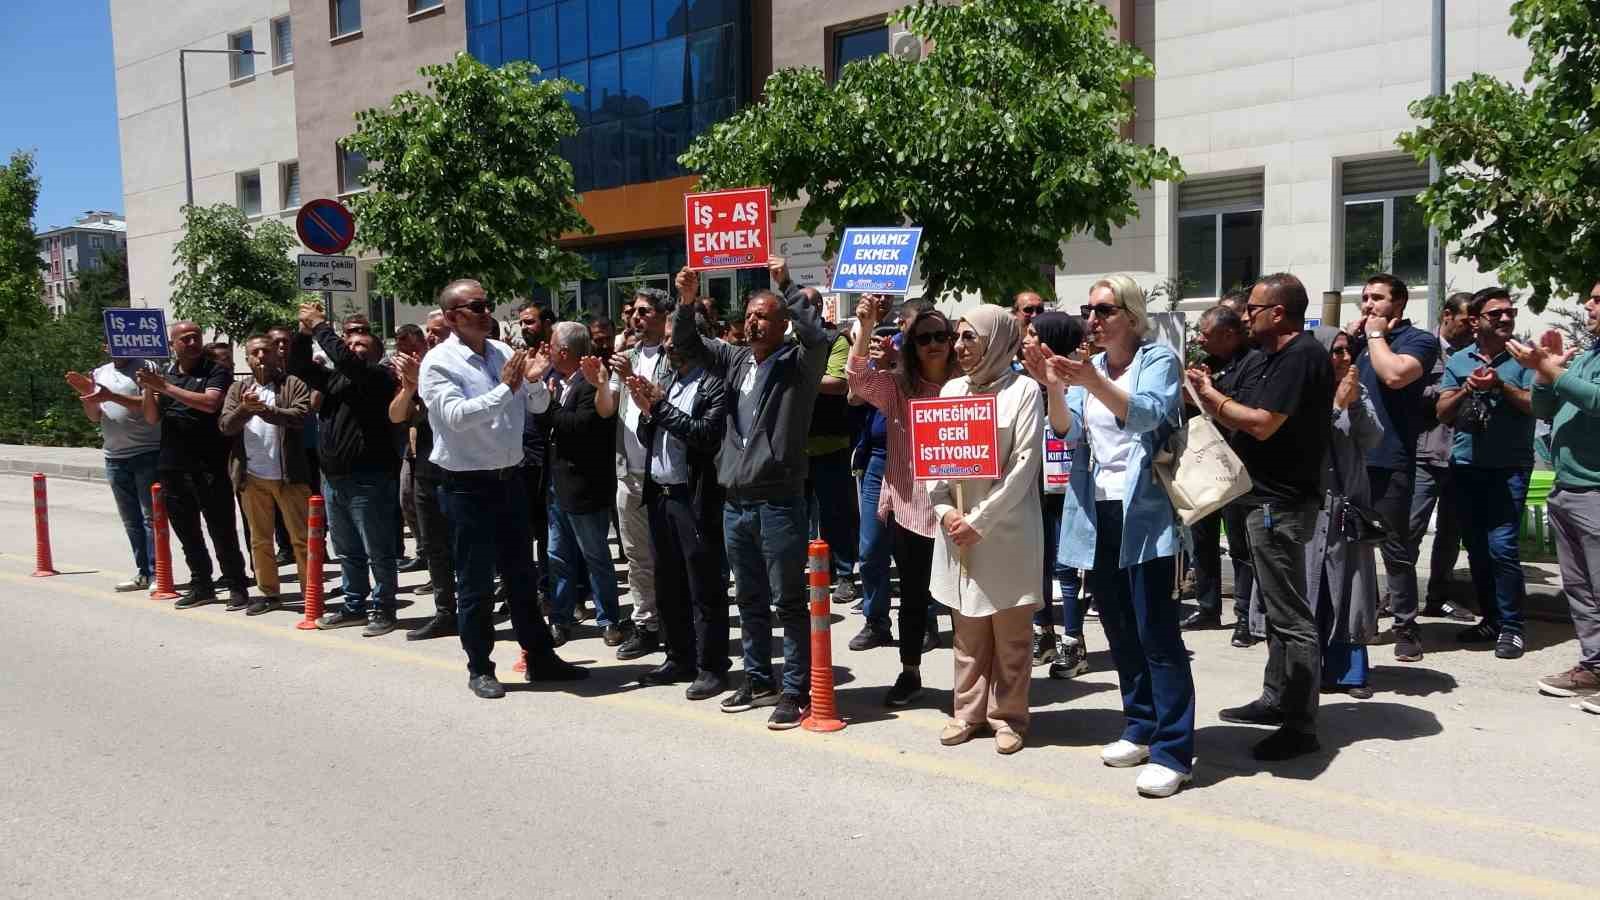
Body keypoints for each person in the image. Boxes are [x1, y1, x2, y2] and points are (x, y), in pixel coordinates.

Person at [1030, 275, 1193, 795]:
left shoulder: (1158, 361)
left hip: (1146, 513)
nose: (1093, 320)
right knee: (1119, 627)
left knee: (1157, 633)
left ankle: (1174, 750)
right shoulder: (1092, 368)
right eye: (1088, 310)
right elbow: (1066, 432)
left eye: (1104, 310)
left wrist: (1088, 381)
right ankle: (1140, 725)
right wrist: (1056, 386)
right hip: (1097, 510)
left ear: (1131, 315)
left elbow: (1147, 415)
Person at [672, 259, 831, 730]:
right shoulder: (735, 359)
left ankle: (796, 689)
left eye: (765, 314)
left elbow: (818, 335)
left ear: (783, 324)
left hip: (779, 500)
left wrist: (784, 285)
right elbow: (686, 344)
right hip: (736, 500)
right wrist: (684, 301)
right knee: (749, 598)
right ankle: (759, 679)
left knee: (787, 600)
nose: (754, 321)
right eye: (750, 314)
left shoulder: (798, 364)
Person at [418, 279, 585, 697]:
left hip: (510, 480)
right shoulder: (439, 363)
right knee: (474, 582)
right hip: (466, 486)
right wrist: (505, 389)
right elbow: (455, 417)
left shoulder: (505, 353)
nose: (486, 310)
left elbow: (539, 407)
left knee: (522, 578)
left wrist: (530, 383)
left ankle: (541, 657)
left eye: (487, 303)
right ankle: (480, 666)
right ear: (454, 317)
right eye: (476, 305)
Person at [1192, 273, 1333, 761]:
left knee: (1292, 617)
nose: (1245, 315)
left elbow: (1261, 423)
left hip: (1282, 504)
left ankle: (1300, 724)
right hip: (1264, 500)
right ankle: (1276, 699)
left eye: (1253, 308)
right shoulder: (1277, 357)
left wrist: (1213, 398)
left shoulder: (1301, 355)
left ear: (1278, 313)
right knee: (1276, 612)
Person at [929, 304, 1042, 757]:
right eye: (958, 337)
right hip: (958, 531)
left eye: (969, 337)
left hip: (1008, 530)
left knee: (1011, 635)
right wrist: (945, 513)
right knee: (968, 633)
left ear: (996, 340)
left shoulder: (1023, 391)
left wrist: (981, 520)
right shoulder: (952, 390)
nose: (959, 347)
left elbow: (1024, 464)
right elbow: (934, 463)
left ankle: (1010, 717)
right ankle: (968, 712)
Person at [848, 296, 958, 706]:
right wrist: (864, 325)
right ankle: (910, 671)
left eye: (942, 336)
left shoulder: (967, 387)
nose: (935, 344)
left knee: (963, 603)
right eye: (924, 337)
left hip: (960, 511)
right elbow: (858, 381)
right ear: (911, 344)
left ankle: (971, 680)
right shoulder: (896, 387)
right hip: (911, 509)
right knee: (912, 596)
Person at [626, 323, 730, 697]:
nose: (668, 346)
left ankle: (712, 665)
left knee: (703, 584)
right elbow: (649, 433)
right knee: (668, 582)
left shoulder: (714, 384)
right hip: (661, 495)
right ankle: (679, 655)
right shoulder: (671, 383)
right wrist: (647, 412)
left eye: (675, 339)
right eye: (667, 341)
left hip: (693, 498)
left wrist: (659, 408)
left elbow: (704, 435)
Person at [288, 302, 403, 637]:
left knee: (377, 549)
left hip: (370, 478)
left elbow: (351, 365)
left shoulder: (378, 376)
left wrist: (323, 325)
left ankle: (384, 607)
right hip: (334, 478)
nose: (353, 347)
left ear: (376, 353)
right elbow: (297, 365)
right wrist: (304, 332)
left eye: (361, 344)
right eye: (349, 342)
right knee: (347, 549)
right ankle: (354, 605)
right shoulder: (335, 379)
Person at [1344, 274, 1441, 663]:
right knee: (1346, 544)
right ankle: (1353, 620)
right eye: (1365, 298)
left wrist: (1373, 336)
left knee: (1394, 546)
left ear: (1399, 304)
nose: (1369, 305)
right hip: (1350, 458)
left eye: (1378, 298)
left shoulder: (1418, 341)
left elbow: (1395, 375)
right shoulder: (1360, 342)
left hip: (1390, 458)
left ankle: (1406, 627)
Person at [1435, 287, 1536, 659]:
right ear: (1476, 321)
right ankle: (1492, 619)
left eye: (1510, 312)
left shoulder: (1524, 357)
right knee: (1476, 547)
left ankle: (1512, 627)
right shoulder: (1460, 360)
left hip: (1509, 467)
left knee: (1502, 547)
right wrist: (1466, 388)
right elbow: (1443, 412)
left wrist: (1499, 385)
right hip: (1466, 466)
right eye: (1497, 314)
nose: (1507, 319)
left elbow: (1534, 406)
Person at [1515, 283, 1600, 708]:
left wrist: (1555, 372)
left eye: (1599, 298)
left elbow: (1597, 400)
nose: (1588, 304)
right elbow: (1544, 409)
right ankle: (1594, 668)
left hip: (1596, 492)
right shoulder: (1587, 356)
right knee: (1581, 590)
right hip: (1570, 487)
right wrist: (1543, 373)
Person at [136, 320, 250, 609]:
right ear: (173, 345)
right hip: (173, 464)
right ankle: (202, 585)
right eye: (184, 339)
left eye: (195, 337)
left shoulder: (216, 371)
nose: (192, 342)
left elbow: (210, 404)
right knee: (187, 531)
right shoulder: (167, 374)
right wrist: (150, 388)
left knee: (221, 528)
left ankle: (237, 584)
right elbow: (151, 418)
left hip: (209, 464)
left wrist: (166, 387)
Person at [1306, 327, 1383, 698]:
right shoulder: (1302, 394)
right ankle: (1307, 672)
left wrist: (1352, 403)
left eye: (1347, 351)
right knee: (1312, 590)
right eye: (1336, 352)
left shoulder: (1359, 391)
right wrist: (1335, 405)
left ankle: (1350, 673)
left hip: (1347, 507)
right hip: (1311, 508)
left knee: (1350, 589)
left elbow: (1372, 438)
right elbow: (1309, 443)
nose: (1345, 358)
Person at [542, 322, 626, 647]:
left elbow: (578, 426)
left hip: (584, 488)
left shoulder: (592, 383)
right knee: (557, 557)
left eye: (551, 346)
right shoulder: (556, 381)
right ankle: (560, 619)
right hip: (555, 488)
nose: (547, 351)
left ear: (564, 351)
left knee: (595, 556)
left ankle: (609, 620)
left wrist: (549, 408)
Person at [1180, 304, 1260, 645]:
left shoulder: (1253, 364)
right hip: (1204, 465)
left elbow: (1242, 413)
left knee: (1240, 545)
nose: (1200, 338)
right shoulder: (1206, 365)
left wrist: (1210, 392)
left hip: (1238, 466)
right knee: (1202, 539)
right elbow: (1190, 410)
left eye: (1206, 333)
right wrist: (1188, 392)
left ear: (1229, 335)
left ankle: (1244, 615)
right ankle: (1208, 607)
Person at [219, 334, 313, 616]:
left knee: (302, 538)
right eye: (254, 353)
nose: (261, 356)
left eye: (266, 351)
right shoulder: (239, 389)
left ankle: (311, 592)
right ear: (246, 359)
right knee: (260, 540)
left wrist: (266, 410)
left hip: (289, 476)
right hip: (252, 476)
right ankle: (269, 594)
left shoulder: (292, 384)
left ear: (277, 356)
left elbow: (299, 416)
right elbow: (225, 425)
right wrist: (245, 410)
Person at [1020, 312, 1088, 674]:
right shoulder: (1024, 383)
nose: (1026, 339)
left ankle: (1073, 643)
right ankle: (1042, 633)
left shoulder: (1078, 381)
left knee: (1065, 568)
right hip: (1035, 486)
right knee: (1038, 566)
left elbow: (1072, 431)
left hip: (1069, 488)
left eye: (1033, 334)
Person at [607, 289, 673, 661]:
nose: (636, 317)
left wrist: (630, 376)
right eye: (634, 312)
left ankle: (675, 624)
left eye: (645, 311)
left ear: (664, 316)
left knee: (669, 555)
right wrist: (603, 381)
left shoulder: (673, 356)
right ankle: (645, 624)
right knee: (636, 555)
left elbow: (661, 403)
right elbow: (607, 407)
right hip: (627, 472)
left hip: (663, 473)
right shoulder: (626, 357)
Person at [66, 351, 162, 592]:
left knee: (151, 518)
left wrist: (110, 396)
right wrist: (88, 394)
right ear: (106, 345)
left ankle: (158, 573)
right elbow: (94, 416)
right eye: (112, 339)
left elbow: (150, 409)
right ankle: (143, 572)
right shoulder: (100, 373)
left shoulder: (147, 366)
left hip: (146, 453)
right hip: (115, 457)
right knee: (132, 520)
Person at [1409, 292, 1477, 623]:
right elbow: (1408, 392)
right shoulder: (1423, 349)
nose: (1472, 328)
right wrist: (1450, 390)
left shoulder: (1475, 355)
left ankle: (1439, 596)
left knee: (1451, 532)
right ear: (1447, 315)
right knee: (1410, 529)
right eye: (1467, 320)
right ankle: (1398, 597)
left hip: (1462, 454)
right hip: (1426, 452)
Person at [391, 313, 458, 641]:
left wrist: (423, 384)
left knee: (465, 544)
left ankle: (476, 609)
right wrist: (410, 387)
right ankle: (445, 611)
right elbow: (395, 415)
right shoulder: (417, 371)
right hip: (426, 469)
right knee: (432, 543)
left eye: (438, 332)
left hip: (459, 470)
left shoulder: (460, 365)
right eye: (428, 332)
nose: (430, 337)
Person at [806, 320, 861, 606]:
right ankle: (814, 572)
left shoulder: (835, 341)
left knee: (835, 514)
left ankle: (844, 575)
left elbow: (837, 384)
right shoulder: (787, 340)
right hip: (794, 448)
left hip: (831, 443)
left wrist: (797, 378)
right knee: (796, 518)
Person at [393, 324, 429, 576]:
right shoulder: (397, 372)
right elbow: (398, 414)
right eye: (402, 349)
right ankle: (423, 552)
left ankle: (438, 559)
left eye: (413, 348)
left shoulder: (433, 366)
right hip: (410, 446)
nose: (409, 355)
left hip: (432, 448)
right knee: (407, 500)